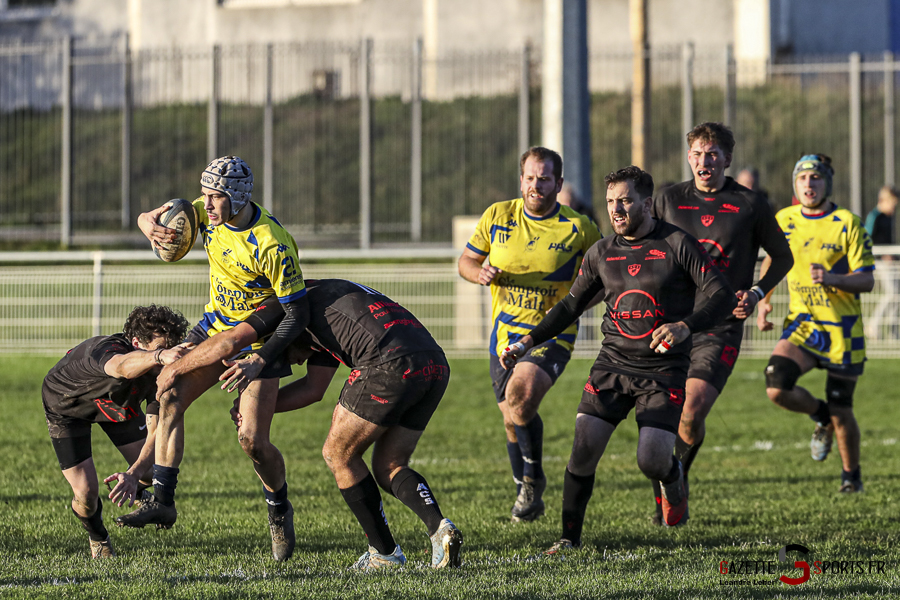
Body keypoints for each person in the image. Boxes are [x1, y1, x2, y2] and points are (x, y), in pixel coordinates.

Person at [502, 166, 735, 553]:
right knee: (583, 448)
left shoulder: (677, 243)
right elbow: (571, 305)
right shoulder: (602, 252)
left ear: (647, 203)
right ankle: (569, 540)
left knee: (651, 460)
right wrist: (528, 341)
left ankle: (672, 473)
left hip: (663, 369)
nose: (616, 209)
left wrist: (686, 326)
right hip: (612, 365)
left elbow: (722, 295)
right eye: (611, 201)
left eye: (625, 200)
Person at [111, 156, 309, 562]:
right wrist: (148, 221)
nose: (206, 205)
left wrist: (262, 358)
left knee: (252, 440)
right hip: (212, 328)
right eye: (204, 196)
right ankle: (163, 498)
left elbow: (297, 314)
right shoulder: (206, 213)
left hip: (257, 342)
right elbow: (153, 215)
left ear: (237, 198)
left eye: (214, 197)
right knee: (167, 394)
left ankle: (278, 508)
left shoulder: (271, 242)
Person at [189, 279, 462, 569]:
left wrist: (175, 369)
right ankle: (440, 529)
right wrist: (258, 408)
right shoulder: (322, 301)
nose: (291, 363)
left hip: (387, 363)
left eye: (285, 356)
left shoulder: (284, 305)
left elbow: (232, 338)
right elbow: (313, 388)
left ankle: (384, 554)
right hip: (434, 363)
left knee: (339, 454)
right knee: (390, 465)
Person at [648, 122, 793, 525]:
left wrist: (757, 292)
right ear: (688, 156)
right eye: (696, 153)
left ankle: (676, 480)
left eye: (712, 154)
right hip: (670, 322)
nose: (703, 161)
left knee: (691, 412)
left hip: (720, 323)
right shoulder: (668, 199)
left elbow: (782, 257)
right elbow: (644, 247)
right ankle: (666, 488)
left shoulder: (750, 205)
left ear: (728, 159)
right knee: (662, 415)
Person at [457, 147, 603, 522]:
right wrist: (479, 273)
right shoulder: (497, 216)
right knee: (511, 415)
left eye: (544, 178)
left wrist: (573, 307)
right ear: (521, 179)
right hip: (503, 334)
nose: (536, 185)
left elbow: (605, 278)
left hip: (551, 335)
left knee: (520, 397)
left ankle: (531, 479)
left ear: (559, 183)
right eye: (530, 177)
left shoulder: (579, 228)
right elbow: (467, 261)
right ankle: (530, 481)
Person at [757, 154, 875, 493]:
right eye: (803, 179)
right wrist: (763, 301)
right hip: (804, 325)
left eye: (816, 178)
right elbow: (772, 261)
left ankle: (851, 477)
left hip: (843, 331)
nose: (809, 184)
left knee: (843, 410)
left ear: (827, 183)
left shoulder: (847, 223)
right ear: (795, 185)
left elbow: (866, 281)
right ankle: (819, 414)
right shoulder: (785, 219)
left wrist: (832, 278)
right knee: (777, 385)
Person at [43, 305, 190, 558]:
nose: (168, 357)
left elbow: (159, 432)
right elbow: (122, 366)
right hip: (67, 405)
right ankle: (98, 537)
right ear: (136, 342)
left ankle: (140, 493)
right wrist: (158, 357)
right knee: (86, 494)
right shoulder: (106, 350)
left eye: (171, 349)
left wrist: (133, 474)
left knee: (152, 470)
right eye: (161, 349)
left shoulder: (163, 373)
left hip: (116, 406)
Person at [865, 185, 899, 339]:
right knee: (892, 292)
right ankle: (873, 325)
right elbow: (868, 239)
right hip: (879, 261)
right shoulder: (875, 216)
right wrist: (882, 254)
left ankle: (893, 331)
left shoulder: (889, 217)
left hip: (892, 261)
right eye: (892, 203)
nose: (894, 207)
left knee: (897, 295)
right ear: (884, 200)